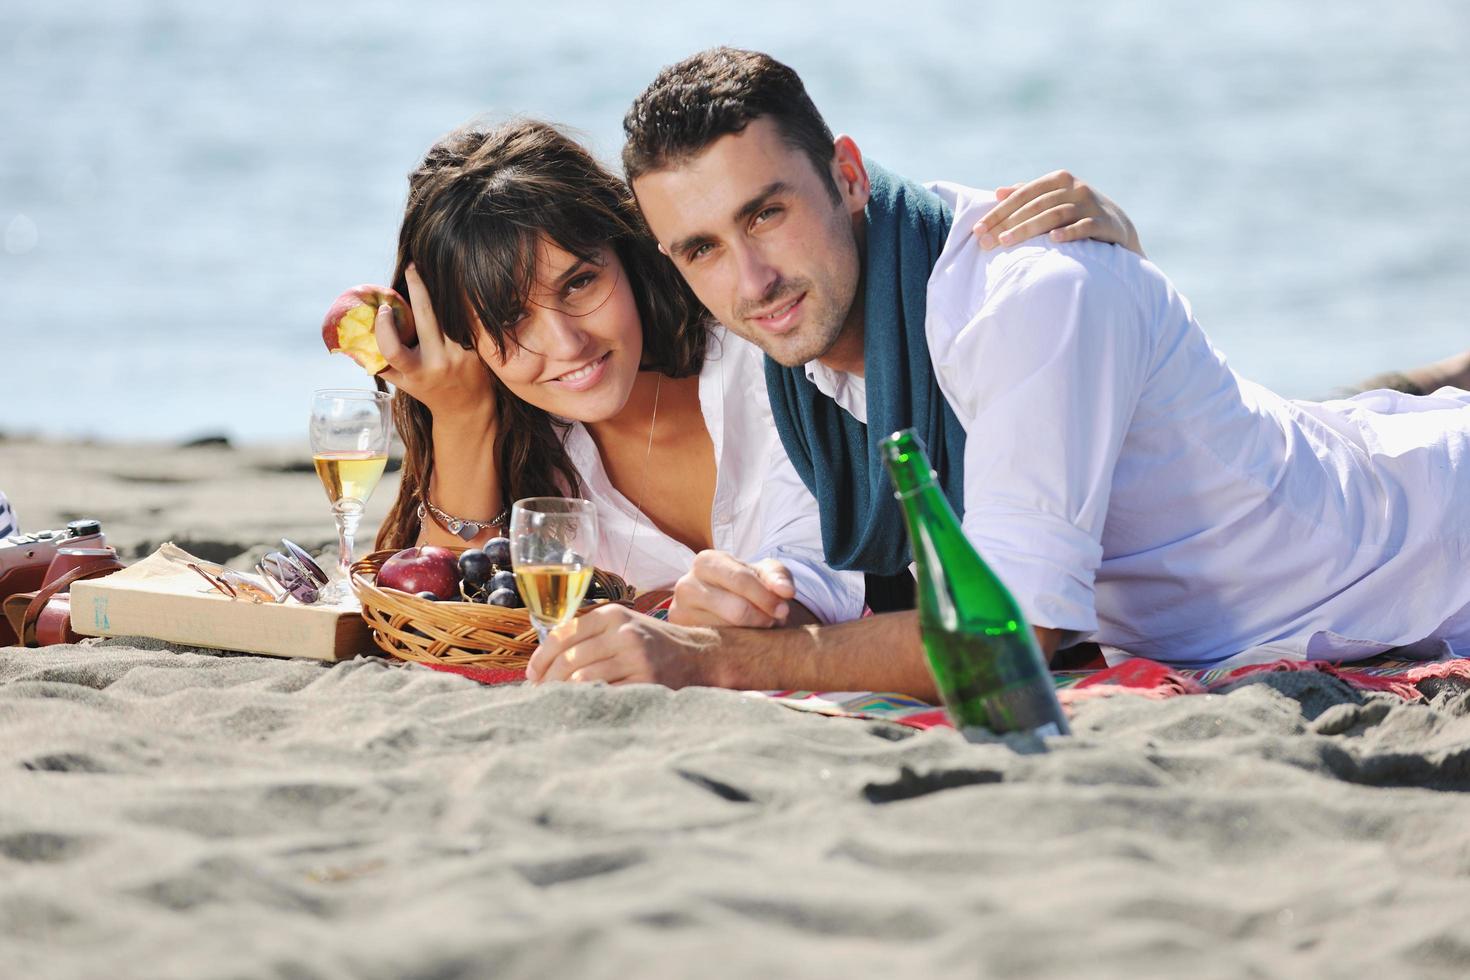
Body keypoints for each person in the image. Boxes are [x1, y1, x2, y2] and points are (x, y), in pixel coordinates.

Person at [527, 47, 1470, 694]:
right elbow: (845, 556)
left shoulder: (1029, 303)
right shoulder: (803, 339)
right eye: (699, 248)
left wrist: (712, 661)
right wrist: (754, 598)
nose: (750, 279)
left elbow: (1005, 638)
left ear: (847, 174)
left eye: (766, 213)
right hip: (1325, 480)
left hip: (1422, 555)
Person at [371, 119, 1145, 646]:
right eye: (511, 321)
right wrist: (461, 412)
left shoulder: (766, 344)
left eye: (579, 285)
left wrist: (1093, 248)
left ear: (629, 254)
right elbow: (445, 618)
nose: (565, 343)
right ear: (462, 337)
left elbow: (860, 227)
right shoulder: (535, 455)